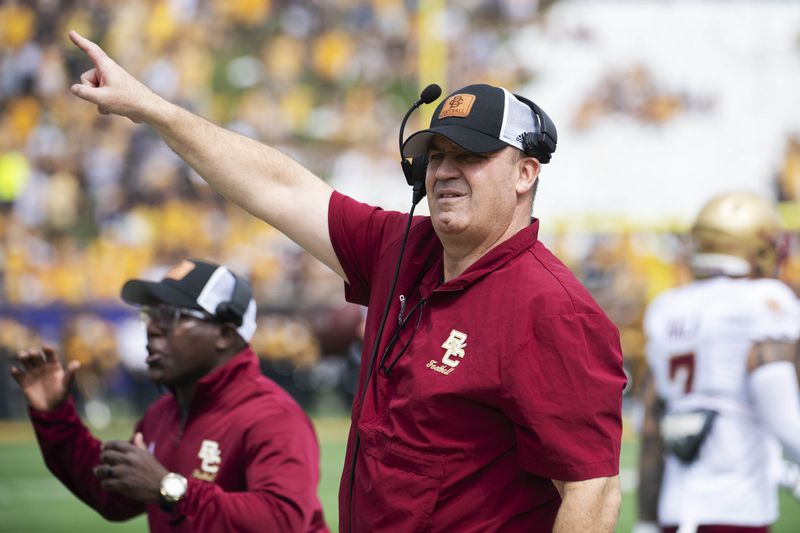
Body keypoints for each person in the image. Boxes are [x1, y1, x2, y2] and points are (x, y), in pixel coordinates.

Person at [67, 30, 626, 532]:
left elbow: (591, 492)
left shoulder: (552, 308)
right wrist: (150, 109)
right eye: (434, 155)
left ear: (526, 171)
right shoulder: (400, 247)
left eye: (471, 155)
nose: (445, 170)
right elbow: (278, 188)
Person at [11, 259, 328, 532]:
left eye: (172, 316)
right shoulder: (164, 413)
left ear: (225, 334)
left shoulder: (273, 417)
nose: (152, 329)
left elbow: (282, 523)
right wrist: (55, 415)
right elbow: (110, 494)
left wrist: (170, 489)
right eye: (151, 315)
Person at [636, 191, 800, 533]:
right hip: (736, 508)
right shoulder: (764, 300)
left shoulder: (667, 307)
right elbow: (782, 415)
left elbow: (652, 427)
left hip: (675, 508)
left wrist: (647, 521)